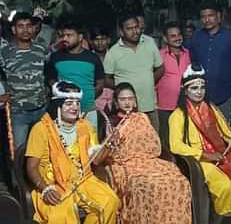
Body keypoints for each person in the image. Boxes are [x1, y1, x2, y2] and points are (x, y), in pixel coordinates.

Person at [169, 64, 231, 219]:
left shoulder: (211, 108)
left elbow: (226, 132)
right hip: (200, 161)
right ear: (185, 90)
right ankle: (226, 216)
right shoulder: (178, 116)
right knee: (224, 186)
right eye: (194, 88)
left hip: (223, 154)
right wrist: (204, 155)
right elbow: (175, 146)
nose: (199, 91)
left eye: (202, 87)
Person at [25, 81, 119, 224]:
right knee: (61, 215)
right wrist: (45, 189)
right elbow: (31, 167)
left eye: (77, 103)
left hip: (83, 180)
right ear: (58, 105)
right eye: (69, 103)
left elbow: (96, 161)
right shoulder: (41, 129)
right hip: (53, 184)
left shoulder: (85, 126)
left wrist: (109, 143)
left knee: (109, 202)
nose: (74, 107)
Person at [105, 82, 191, 224]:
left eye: (130, 99)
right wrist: (112, 140)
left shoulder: (142, 118)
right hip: (126, 163)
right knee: (141, 185)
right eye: (123, 99)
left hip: (150, 160)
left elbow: (153, 142)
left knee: (178, 180)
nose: (127, 102)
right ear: (116, 102)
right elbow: (109, 152)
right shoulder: (112, 122)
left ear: (135, 101)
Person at [104, 12, 164, 131]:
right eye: (129, 29)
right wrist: (123, 89)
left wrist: (148, 81)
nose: (135, 31)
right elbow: (107, 79)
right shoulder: (113, 52)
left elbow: (160, 68)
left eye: (136, 27)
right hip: (125, 111)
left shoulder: (150, 42)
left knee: (153, 143)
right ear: (121, 32)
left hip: (149, 106)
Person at [187, 1, 231, 120]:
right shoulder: (196, 37)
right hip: (200, 96)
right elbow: (193, 63)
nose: (207, 20)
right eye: (203, 17)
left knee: (224, 133)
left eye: (210, 15)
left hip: (224, 96)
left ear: (219, 16)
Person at [0, 12, 48, 148]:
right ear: (14, 29)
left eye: (29, 26)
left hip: (41, 110)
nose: (25, 30)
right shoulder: (4, 52)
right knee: (19, 152)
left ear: (34, 29)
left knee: (41, 151)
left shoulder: (42, 49)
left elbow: (49, 73)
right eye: (21, 26)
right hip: (18, 113)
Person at [47, 17, 105, 128]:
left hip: (88, 111)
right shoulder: (55, 57)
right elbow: (51, 80)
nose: (65, 38)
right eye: (63, 35)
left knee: (90, 143)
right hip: (64, 112)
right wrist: (62, 94)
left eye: (69, 35)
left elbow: (100, 83)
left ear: (80, 37)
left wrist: (88, 97)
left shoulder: (92, 58)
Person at [157, 22, 191, 149]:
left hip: (185, 105)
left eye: (179, 34)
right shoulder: (159, 55)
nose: (177, 38)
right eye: (173, 36)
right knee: (165, 139)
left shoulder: (189, 54)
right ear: (165, 39)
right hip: (165, 106)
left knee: (183, 137)